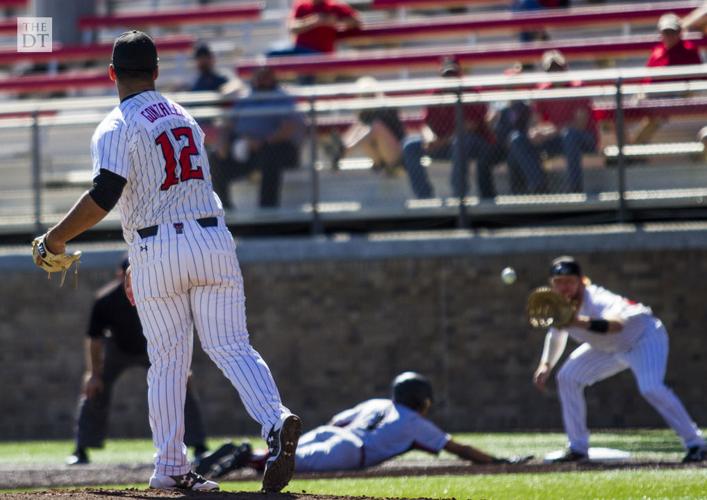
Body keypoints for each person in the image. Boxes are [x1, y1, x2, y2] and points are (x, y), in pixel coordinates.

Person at [31, 30, 301, 492]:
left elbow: (105, 194)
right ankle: (275, 421)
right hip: (214, 238)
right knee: (232, 346)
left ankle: (171, 467)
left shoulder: (117, 124)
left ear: (112, 73)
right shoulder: (185, 116)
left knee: (169, 362)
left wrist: (54, 239)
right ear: (156, 72)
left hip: (159, 247)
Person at [532, 256, 706, 463]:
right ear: (551, 284)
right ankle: (577, 448)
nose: (564, 287)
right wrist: (546, 365)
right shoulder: (559, 306)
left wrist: (578, 321)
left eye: (569, 281)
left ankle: (697, 444)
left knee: (651, 388)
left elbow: (617, 325)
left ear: (581, 281)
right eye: (558, 282)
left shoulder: (596, 298)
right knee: (568, 377)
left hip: (643, 338)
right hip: (609, 347)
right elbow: (556, 335)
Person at [197, 372, 530, 477]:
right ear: (420, 399)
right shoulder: (413, 420)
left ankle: (251, 454)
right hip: (350, 450)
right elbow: (460, 448)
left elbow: (335, 421)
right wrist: (497, 461)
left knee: (288, 454)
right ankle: (247, 457)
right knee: (289, 465)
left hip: (335, 433)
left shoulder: (377, 403)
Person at [66, 258, 208, 466]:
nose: (132, 283)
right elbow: (94, 339)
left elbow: (179, 330)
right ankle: (81, 448)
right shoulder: (105, 300)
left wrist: (181, 367)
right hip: (117, 347)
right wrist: (94, 374)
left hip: (153, 347)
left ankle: (198, 445)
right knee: (93, 388)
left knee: (181, 384)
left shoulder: (160, 296)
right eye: (127, 277)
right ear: (120, 276)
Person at [401, 57, 495, 200]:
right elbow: (425, 123)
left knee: (460, 141)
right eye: (447, 75)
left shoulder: (471, 92)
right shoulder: (435, 93)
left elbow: (471, 127)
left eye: (453, 74)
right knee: (410, 145)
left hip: (473, 145)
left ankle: (459, 194)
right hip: (444, 145)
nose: (450, 78)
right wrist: (429, 137)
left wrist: (442, 141)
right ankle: (424, 196)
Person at [213, 66, 305, 209]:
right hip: (245, 148)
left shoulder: (282, 97)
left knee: (270, 156)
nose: (261, 79)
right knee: (215, 158)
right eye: (259, 76)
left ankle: (267, 211)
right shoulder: (245, 97)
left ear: (273, 78)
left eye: (265, 75)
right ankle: (224, 209)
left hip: (275, 148)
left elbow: (290, 127)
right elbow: (228, 124)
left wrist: (263, 142)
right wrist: (223, 142)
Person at [507, 50, 597, 194]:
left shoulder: (578, 87)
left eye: (558, 69)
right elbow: (534, 120)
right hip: (558, 140)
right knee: (517, 139)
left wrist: (551, 131)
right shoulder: (543, 90)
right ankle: (539, 185)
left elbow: (580, 124)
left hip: (584, 140)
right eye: (551, 70)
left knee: (570, 135)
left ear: (565, 68)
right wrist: (534, 131)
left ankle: (575, 189)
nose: (556, 73)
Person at [632, 13, 702, 145]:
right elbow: (645, 80)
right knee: (621, 111)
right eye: (666, 32)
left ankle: (633, 149)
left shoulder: (689, 50)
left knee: (656, 116)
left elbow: (697, 80)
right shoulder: (657, 51)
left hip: (676, 96)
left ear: (680, 32)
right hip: (653, 96)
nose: (669, 36)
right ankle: (630, 149)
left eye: (672, 32)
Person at [326, 76, 406, 175]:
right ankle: (341, 149)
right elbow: (357, 128)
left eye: (369, 94)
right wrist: (344, 142)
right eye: (364, 95)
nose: (366, 97)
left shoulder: (386, 106)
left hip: (397, 156)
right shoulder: (365, 112)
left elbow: (376, 129)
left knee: (373, 128)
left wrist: (345, 148)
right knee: (362, 129)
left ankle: (341, 152)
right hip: (381, 158)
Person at [269, 0, 361, 57]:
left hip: (320, 52)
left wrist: (335, 22)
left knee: (306, 60)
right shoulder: (302, 6)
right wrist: (314, 21)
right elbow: (292, 28)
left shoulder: (334, 7)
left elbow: (356, 22)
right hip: (298, 48)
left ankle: (305, 88)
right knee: (271, 53)